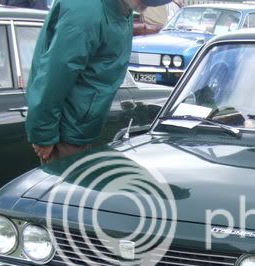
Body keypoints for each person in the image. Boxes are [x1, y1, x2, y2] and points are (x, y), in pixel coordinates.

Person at [25, 0, 173, 164]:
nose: (145, 7)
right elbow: (55, 73)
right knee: (67, 185)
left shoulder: (119, 9)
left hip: (79, 127)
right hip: (66, 133)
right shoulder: (86, 11)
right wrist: (43, 135)